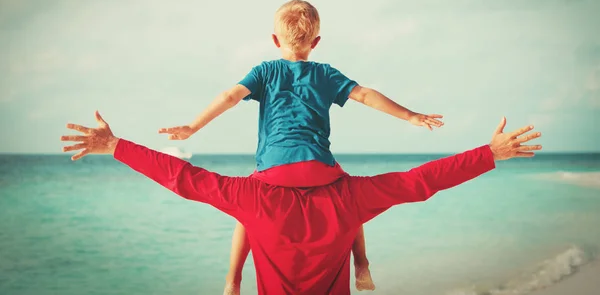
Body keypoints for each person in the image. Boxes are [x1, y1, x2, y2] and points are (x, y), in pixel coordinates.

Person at [61, 112, 541, 295]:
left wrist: (117, 146)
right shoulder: (351, 195)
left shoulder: (251, 195)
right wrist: (488, 154)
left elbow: (183, 178)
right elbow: (421, 181)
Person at [156, 0, 445, 294]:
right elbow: (366, 95)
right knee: (351, 201)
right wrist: (410, 115)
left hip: (274, 168)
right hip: (319, 166)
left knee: (247, 207)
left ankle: (233, 280)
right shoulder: (325, 73)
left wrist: (193, 127)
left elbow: (230, 96)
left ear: (274, 39)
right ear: (315, 42)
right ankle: (361, 265)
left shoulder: (265, 72)